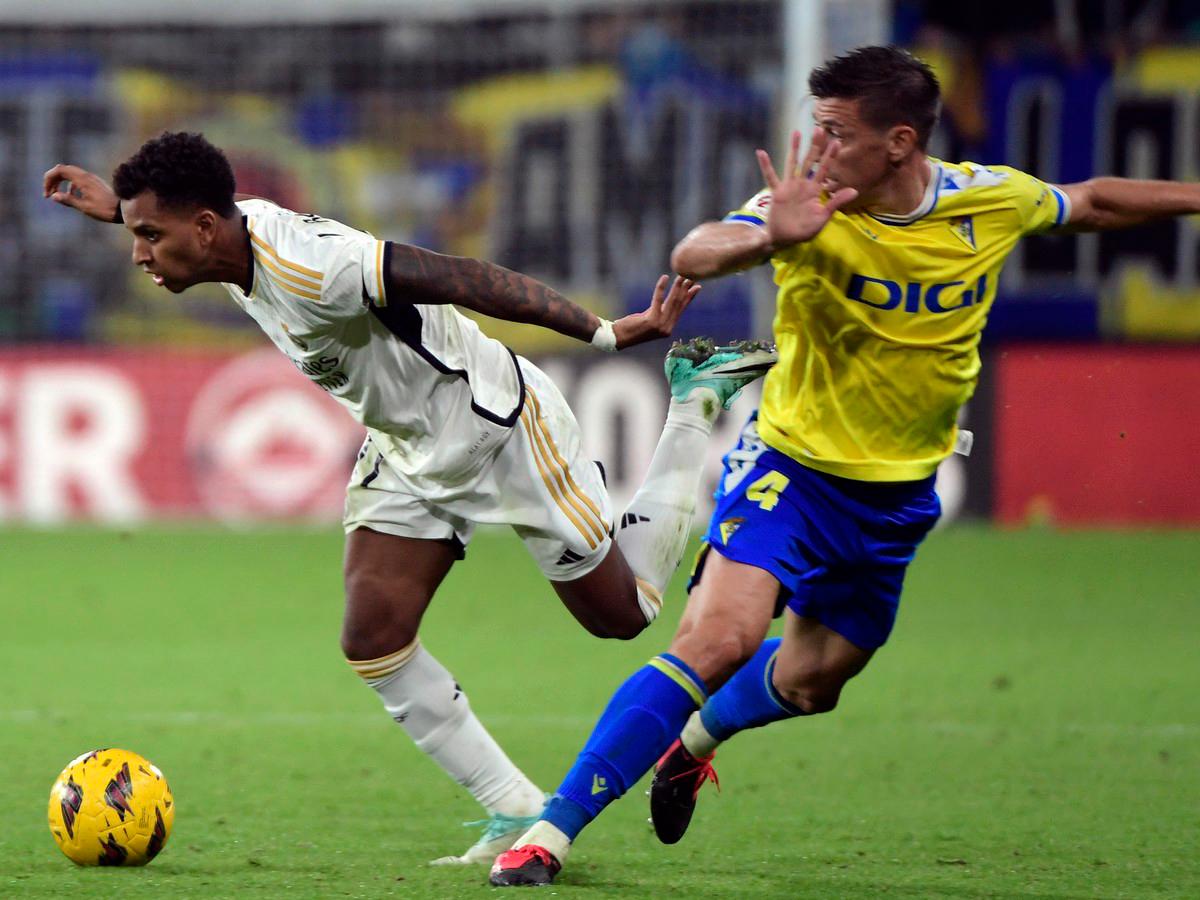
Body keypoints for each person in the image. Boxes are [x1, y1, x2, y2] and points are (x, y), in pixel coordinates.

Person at [489, 44, 1200, 886]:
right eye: (813, 129)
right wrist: (769, 236)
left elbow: (1089, 203)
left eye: (834, 133)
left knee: (812, 682)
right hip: (789, 469)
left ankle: (693, 744)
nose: (817, 150)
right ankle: (547, 835)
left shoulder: (989, 200)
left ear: (900, 141)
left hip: (896, 498)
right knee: (717, 639)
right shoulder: (805, 210)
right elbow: (696, 253)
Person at [43, 132, 777, 865]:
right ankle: (514, 807)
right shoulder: (226, 238)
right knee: (373, 635)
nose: (139, 254)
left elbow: (463, 277)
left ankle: (692, 404)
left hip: (499, 430)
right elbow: (182, 218)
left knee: (627, 616)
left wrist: (605, 332)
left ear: (203, 227)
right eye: (136, 234)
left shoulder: (313, 266)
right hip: (407, 448)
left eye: (147, 236)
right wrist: (118, 211)